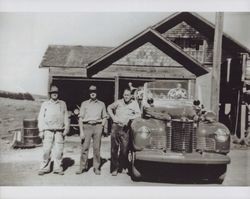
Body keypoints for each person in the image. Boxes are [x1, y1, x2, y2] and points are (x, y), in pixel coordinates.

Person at [107, 88, 141, 176]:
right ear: (123, 95)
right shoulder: (118, 102)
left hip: (126, 128)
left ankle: (122, 166)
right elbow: (109, 108)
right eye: (125, 95)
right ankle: (114, 169)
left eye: (128, 95)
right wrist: (113, 117)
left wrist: (130, 118)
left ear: (131, 96)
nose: (126, 97)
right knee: (114, 148)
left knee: (124, 149)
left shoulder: (134, 103)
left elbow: (138, 114)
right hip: (116, 127)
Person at [75, 85, 108, 175]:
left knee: (97, 148)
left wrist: (101, 126)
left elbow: (105, 117)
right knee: (84, 147)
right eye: (91, 92)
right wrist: (81, 131)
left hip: (97, 126)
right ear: (89, 93)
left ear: (96, 93)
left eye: (94, 92)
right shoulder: (84, 103)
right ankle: (82, 167)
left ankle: (96, 168)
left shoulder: (102, 104)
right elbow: (80, 118)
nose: (92, 93)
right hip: (87, 126)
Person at [37, 85, 69, 175]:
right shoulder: (45, 104)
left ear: (58, 94)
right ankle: (44, 168)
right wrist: (41, 130)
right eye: (53, 93)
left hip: (59, 131)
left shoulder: (62, 104)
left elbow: (66, 116)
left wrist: (66, 128)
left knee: (59, 151)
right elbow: (41, 118)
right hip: (48, 131)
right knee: (46, 150)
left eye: (56, 93)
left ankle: (58, 168)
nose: (54, 94)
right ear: (50, 94)